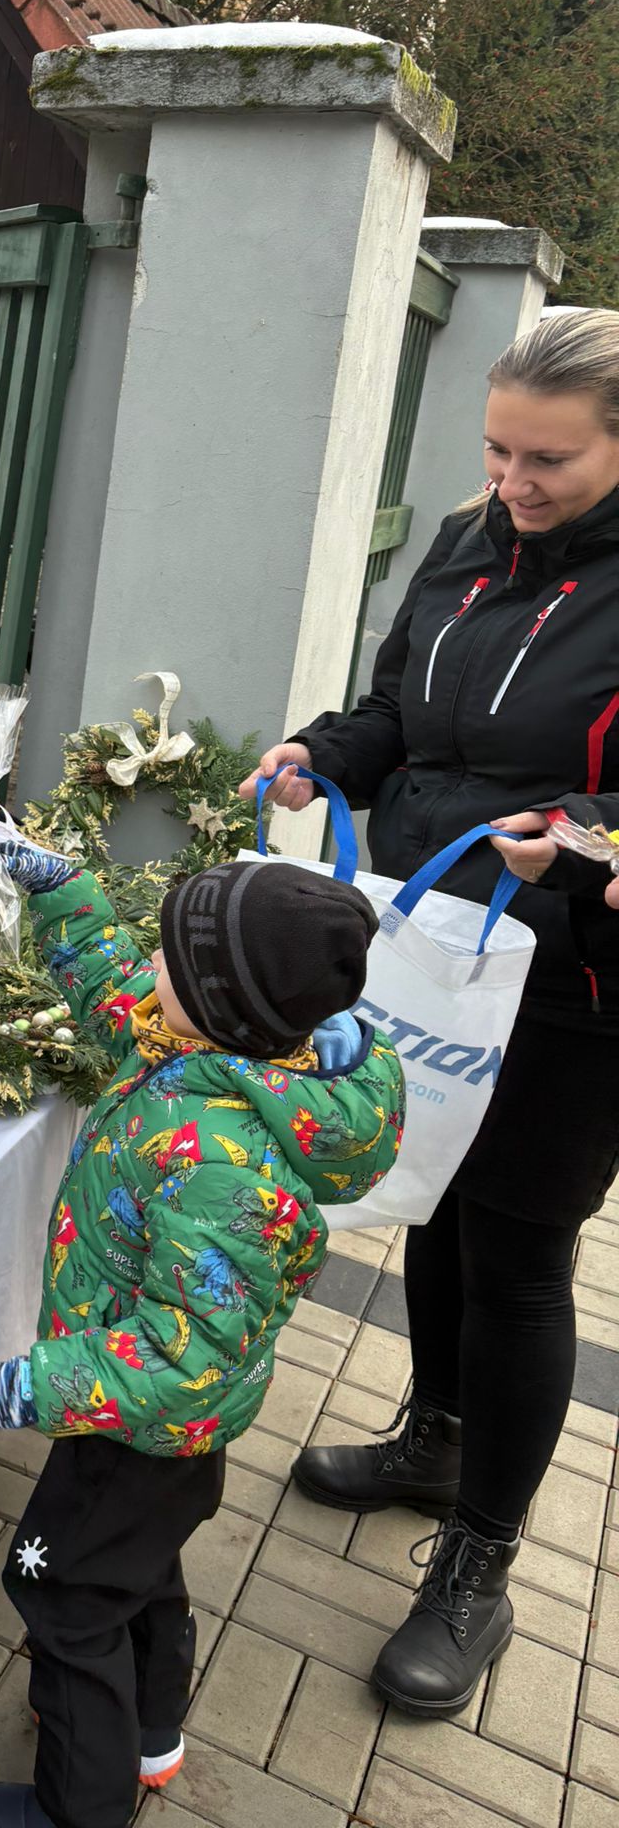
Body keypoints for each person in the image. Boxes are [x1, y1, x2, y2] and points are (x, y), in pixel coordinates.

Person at [242, 306, 619, 1717]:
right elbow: (399, 708)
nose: (513, 483)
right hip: (427, 949)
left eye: (549, 462)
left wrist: (583, 835)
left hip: (572, 980)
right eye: (499, 450)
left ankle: (481, 1563)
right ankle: (438, 1439)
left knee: (518, 1252)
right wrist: (319, 750)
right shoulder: (468, 540)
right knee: (437, 1205)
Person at [0, 832, 403, 1828]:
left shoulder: (218, 1159)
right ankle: (151, 1729)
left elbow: (185, 1352)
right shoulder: (206, 1046)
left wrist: (41, 1382)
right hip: (161, 1433)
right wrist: (65, 892)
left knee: (64, 1593)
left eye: (169, 954)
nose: (150, 962)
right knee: (139, 1564)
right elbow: (116, 988)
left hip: (137, 1418)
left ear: (220, 1002)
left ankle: (79, 1807)